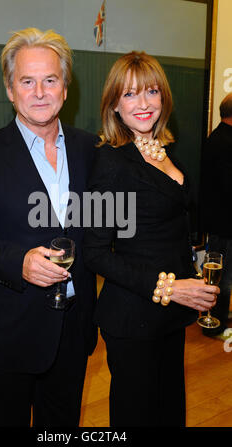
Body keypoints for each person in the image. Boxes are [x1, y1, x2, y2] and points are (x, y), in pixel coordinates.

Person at [0, 27, 97, 427]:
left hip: (73, 329)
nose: (39, 91)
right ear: (11, 89)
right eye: (27, 81)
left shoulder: (91, 149)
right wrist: (17, 261)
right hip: (7, 331)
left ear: (65, 87)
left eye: (50, 79)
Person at [83, 51, 220, 427]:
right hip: (133, 317)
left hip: (170, 316)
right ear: (113, 105)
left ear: (164, 97)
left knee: (170, 409)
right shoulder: (110, 163)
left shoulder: (164, 150)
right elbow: (94, 252)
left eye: (152, 91)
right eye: (129, 94)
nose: (143, 104)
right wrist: (170, 287)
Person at [201, 92, 232, 337]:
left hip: (219, 220)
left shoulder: (217, 137)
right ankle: (215, 322)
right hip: (225, 222)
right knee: (223, 276)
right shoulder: (225, 142)